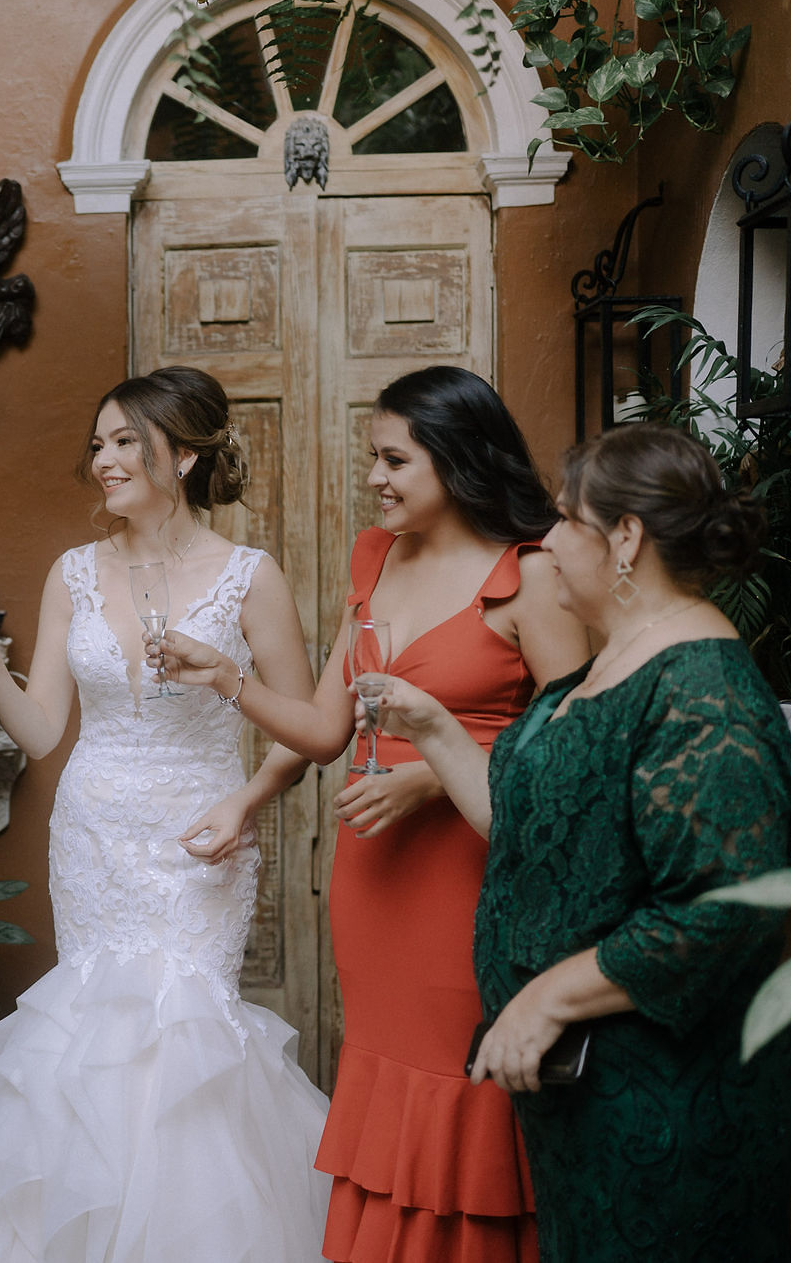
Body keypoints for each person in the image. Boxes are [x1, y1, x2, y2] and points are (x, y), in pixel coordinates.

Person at [159, 365, 591, 1263]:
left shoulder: (534, 576)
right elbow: (325, 728)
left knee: (462, 1091)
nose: (375, 478)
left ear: (458, 458)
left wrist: (436, 773)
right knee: (388, 1083)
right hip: (371, 883)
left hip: (468, 880)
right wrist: (225, 679)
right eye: (371, 458)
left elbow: (577, 754)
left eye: (395, 459)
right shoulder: (378, 556)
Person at [364, 423, 791, 1263]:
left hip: (669, 1101)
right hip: (586, 1098)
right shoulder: (606, 665)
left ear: (627, 538)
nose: (548, 540)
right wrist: (432, 725)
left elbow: (721, 909)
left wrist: (547, 996)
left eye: (566, 519)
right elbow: (527, 823)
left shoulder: (705, 693)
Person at [0, 365, 331, 1262]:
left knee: (182, 1037)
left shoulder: (247, 577)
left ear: (182, 455)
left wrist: (244, 800)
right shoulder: (76, 571)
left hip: (200, 836)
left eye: (125, 442)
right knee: (96, 1034)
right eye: (100, 442)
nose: (103, 459)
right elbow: (41, 733)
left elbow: (305, 730)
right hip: (93, 835)